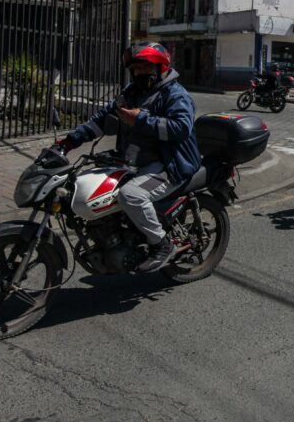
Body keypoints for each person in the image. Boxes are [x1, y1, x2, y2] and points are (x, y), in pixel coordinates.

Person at [56, 42, 202, 273]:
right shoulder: (131, 93)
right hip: (134, 162)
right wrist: (68, 142)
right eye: (136, 68)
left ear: (160, 67)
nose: (140, 73)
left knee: (130, 195)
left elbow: (181, 128)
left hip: (169, 164)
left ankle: (161, 244)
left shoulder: (174, 94)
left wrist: (141, 120)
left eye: (145, 67)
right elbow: (102, 120)